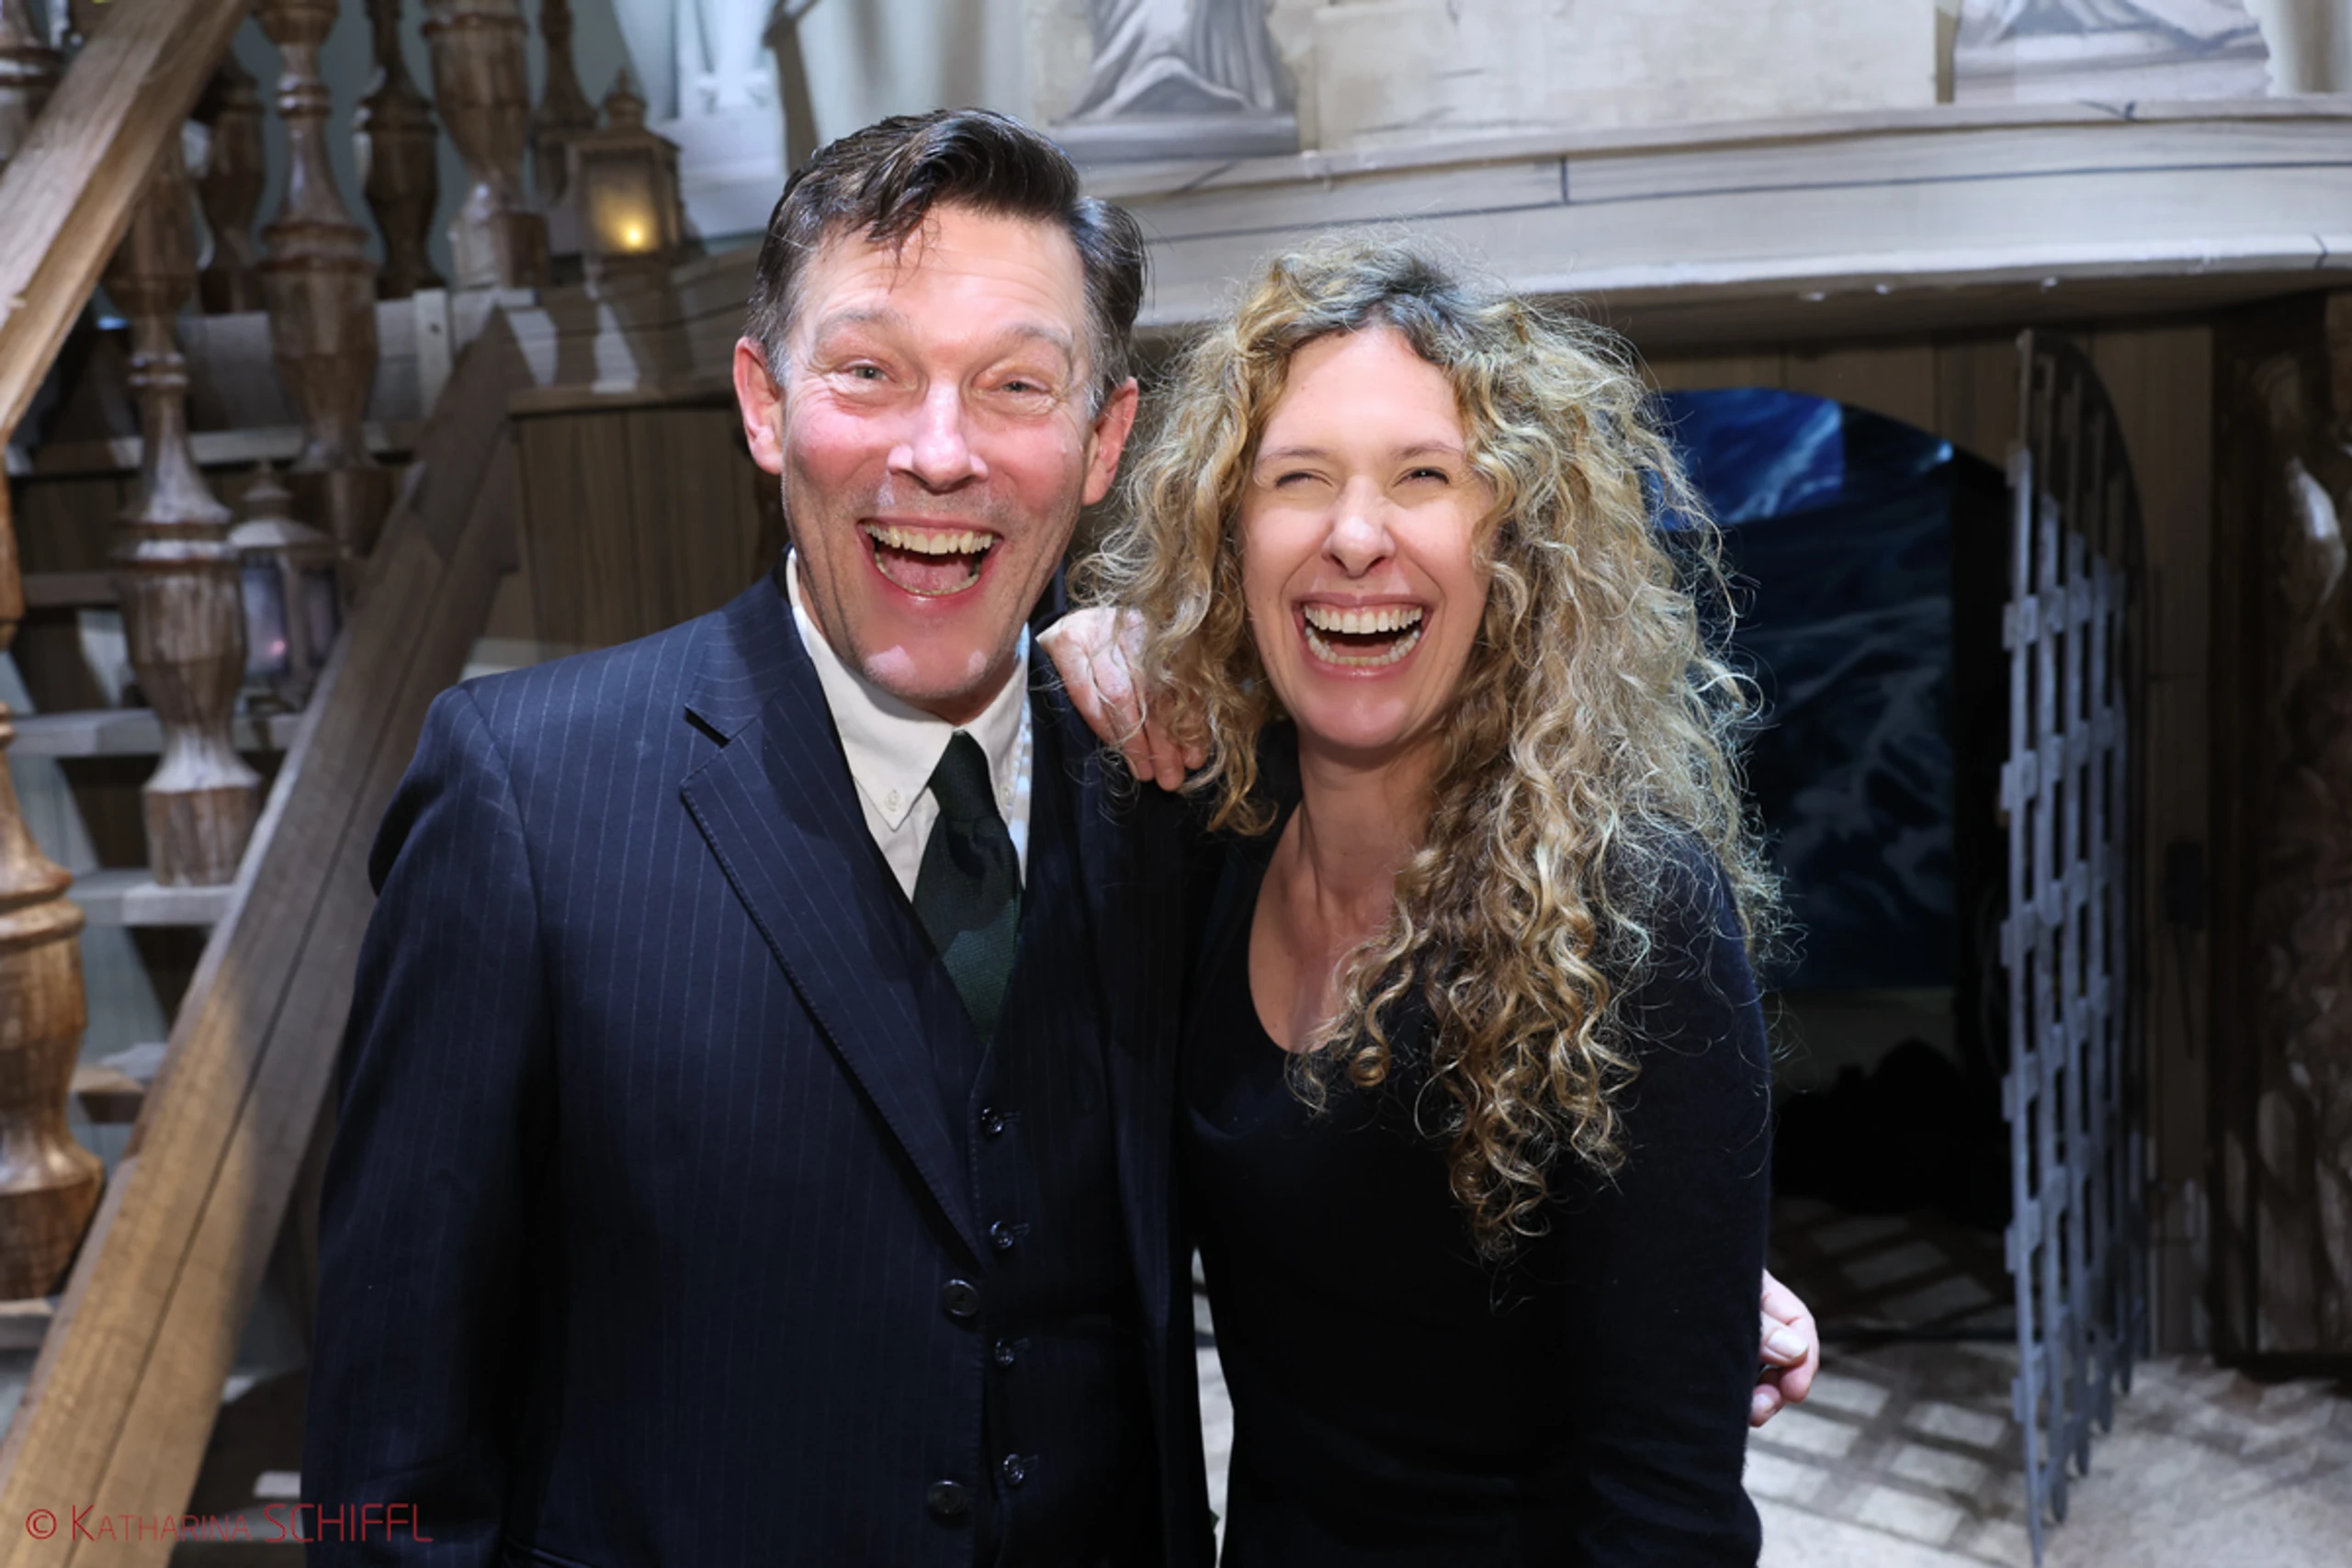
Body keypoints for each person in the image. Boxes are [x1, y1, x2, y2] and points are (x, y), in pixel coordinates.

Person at [303, 109, 1814, 1566]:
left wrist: (1670, 1273)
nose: (939, 453)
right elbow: (388, 1463)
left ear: (1104, 440)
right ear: (764, 402)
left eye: (1016, 386)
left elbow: (1441, 1181)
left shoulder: (1167, 799)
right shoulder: (524, 800)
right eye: (871, 372)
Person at [1051, 234, 1788, 1562]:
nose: (1354, 536)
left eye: (1423, 477)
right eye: (1298, 479)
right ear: (1228, 534)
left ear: (1512, 540)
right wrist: (1082, 652)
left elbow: (1668, 1517)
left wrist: (1684, 1271)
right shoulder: (1207, 838)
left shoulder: (1630, 911)